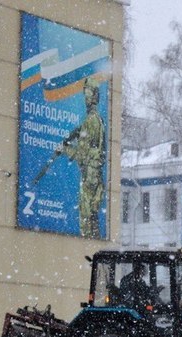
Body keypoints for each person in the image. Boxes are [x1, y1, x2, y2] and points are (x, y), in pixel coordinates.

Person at [56, 77, 106, 238]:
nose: (86, 99)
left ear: (93, 98)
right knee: (93, 218)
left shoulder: (90, 122)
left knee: (86, 219)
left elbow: (82, 156)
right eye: (85, 95)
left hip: (89, 175)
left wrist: (64, 149)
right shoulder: (99, 120)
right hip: (96, 176)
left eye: (88, 95)